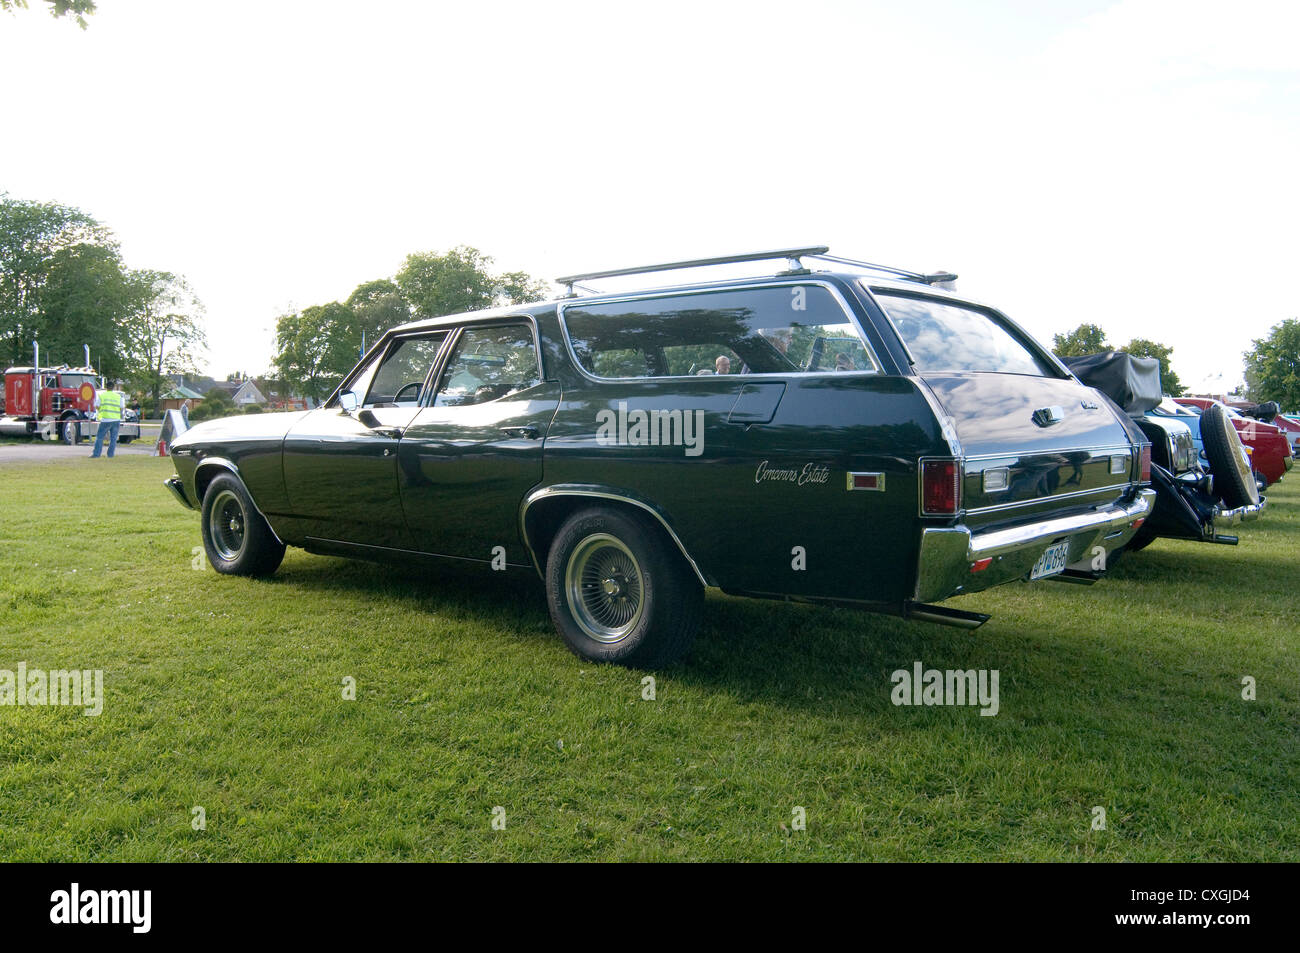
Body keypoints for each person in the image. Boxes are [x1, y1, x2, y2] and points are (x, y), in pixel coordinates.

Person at [91, 385, 125, 458]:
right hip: (116, 419)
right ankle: (110, 454)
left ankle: (96, 454)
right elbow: (122, 407)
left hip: (105, 419)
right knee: (113, 438)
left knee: (100, 437)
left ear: (106, 388)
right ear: (113, 388)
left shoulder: (102, 395)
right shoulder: (118, 396)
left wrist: (101, 410)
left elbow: (96, 405)